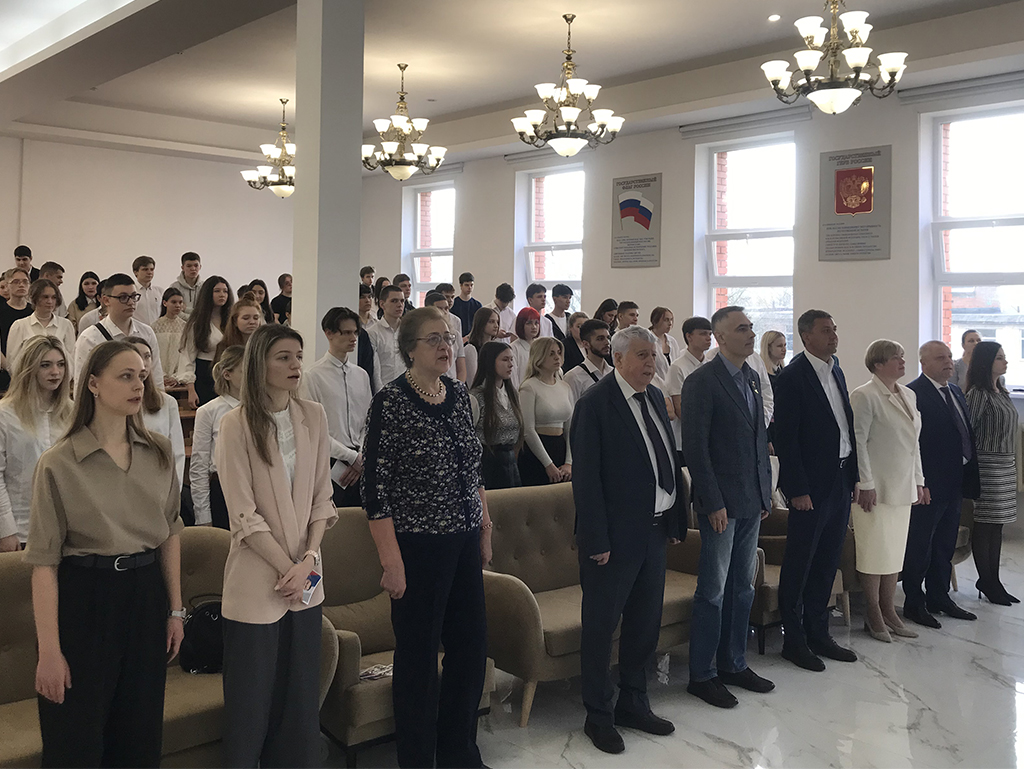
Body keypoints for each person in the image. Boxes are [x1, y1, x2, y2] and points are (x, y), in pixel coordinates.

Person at [26, 340, 183, 768]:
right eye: (125, 376)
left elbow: (170, 533)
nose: (138, 385)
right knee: (75, 739)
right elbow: (44, 564)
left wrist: (175, 610)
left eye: (142, 376)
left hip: (145, 594)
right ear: (93, 384)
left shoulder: (158, 451)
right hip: (85, 596)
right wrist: (49, 651)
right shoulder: (58, 462)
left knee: (139, 736)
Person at [362, 307, 491, 769]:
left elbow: (472, 468)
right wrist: (391, 560)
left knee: (470, 648)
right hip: (417, 547)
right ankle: (417, 758)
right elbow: (374, 490)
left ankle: (459, 752)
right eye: (434, 338)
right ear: (409, 349)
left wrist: (485, 527)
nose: (445, 346)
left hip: (464, 539)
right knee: (417, 657)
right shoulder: (391, 402)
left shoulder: (457, 395)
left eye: (449, 338)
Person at [215, 324, 337, 767]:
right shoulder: (235, 424)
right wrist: (289, 567)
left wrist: (308, 560)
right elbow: (243, 515)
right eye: (283, 357)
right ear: (259, 364)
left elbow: (323, 499)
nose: (295, 365)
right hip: (256, 578)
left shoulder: (313, 415)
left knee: (300, 700)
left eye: (298, 356)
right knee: (250, 705)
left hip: (306, 577)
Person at [570, 324, 684, 755]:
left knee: (644, 623)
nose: (651, 363)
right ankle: (598, 714)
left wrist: (674, 520)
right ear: (617, 359)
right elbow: (586, 480)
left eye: (653, 355)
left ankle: (634, 701)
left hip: (653, 531)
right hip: (613, 539)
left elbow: (665, 459)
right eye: (642, 355)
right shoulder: (595, 404)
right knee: (602, 628)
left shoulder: (653, 396)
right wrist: (596, 539)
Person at [681, 306, 773, 709]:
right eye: (741, 329)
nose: (750, 334)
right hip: (720, 502)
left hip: (751, 498)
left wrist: (764, 492)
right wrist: (712, 501)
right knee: (713, 590)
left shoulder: (751, 377)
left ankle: (734, 662)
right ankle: (702, 674)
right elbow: (696, 448)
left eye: (751, 327)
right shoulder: (702, 381)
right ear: (719, 338)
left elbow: (758, 440)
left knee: (742, 586)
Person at [774, 309, 858, 672]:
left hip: (839, 479)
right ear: (806, 336)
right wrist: (797, 489)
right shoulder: (793, 377)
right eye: (826, 330)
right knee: (801, 564)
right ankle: (793, 641)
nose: (833, 335)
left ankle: (818, 632)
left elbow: (845, 428)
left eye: (834, 329)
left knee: (827, 561)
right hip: (809, 487)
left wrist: (854, 477)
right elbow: (786, 438)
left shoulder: (836, 370)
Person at [849, 340, 925, 643]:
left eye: (903, 357)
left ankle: (889, 609)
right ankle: (873, 611)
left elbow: (914, 444)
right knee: (874, 552)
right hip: (875, 489)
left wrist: (919, 480)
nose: (902, 362)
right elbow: (859, 443)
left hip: (901, 485)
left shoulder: (908, 394)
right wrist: (864, 484)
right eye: (896, 358)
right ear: (878, 364)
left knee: (893, 552)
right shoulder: (864, 395)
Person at [903, 341, 981, 627]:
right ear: (923, 363)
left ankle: (939, 596)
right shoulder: (913, 393)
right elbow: (913, 444)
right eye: (940, 358)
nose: (948, 362)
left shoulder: (956, 391)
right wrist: (919, 481)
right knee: (921, 545)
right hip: (928, 484)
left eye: (949, 356)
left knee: (944, 544)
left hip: (955, 481)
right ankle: (914, 602)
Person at [0, 336, 73, 551]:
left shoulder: (72, 411)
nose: (55, 372)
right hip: (21, 527)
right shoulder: (5, 414)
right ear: (29, 368)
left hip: (66, 528)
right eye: (45, 365)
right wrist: (6, 529)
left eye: (61, 364)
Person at [965, 341, 1019, 606]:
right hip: (986, 465)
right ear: (986, 362)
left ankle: (994, 580)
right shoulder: (978, 394)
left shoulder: (1002, 392)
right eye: (999, 357)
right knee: (985, 523)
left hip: (1006, 464)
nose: (1005, 361)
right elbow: (967, 430)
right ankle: (985, 579)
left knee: (998, 525)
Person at [304, 307, 373, 508]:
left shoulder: (361, 375)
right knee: (334, 520)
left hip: (361, 459)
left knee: (362, 519)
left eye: (355, 332)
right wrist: (351, 457)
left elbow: (368, 421)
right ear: (329, 333)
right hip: (330, 460)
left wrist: (360, 457)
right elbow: (313, 429)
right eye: (347, 332)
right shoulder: (312, 376)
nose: (353, 338)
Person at [74, 273, 164, 389]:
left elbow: (156, 376)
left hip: (143, 397)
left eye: (134, 296)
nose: (131, 302)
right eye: (123, 297)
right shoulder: (90, 338)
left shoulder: (147, 332)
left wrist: (159, 397)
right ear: (106, 300)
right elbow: (81, 385)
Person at [190, 346, 243, 530]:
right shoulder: (209, 411)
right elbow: (199, 465)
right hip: (223, 490)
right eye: (245, 370)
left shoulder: (264, 408)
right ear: (227, 374)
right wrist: (203, 515)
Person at [127, 337, 186, 493]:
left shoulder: (167, 402)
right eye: (137, 355)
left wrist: (175, 491)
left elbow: (177, 452)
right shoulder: (116, 402)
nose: (144, 362)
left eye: (147, 356)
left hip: (160, 483)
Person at [519, 337, 573, 486]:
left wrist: (569, 462)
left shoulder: (565, 387)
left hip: (560, 448)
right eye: (551, 354)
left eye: (559, 352)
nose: (557, 357)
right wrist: (548, 464)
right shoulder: (529, 387)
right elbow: (528, 430)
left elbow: (570, 428)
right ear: (539, 357)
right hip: (538, 451)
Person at [470, 341, 523, 489]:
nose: (510, 364)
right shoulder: (476, 397)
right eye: (505, 360)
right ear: (490, 362)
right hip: (487, 464)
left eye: (511, 359)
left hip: (511, 463)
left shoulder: (512, 394)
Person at [666, 316, 713, 464]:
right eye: (703, 334)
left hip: (710, 438)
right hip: (685, 440)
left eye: (710, 334)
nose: (708, 338)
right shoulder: (678, 367)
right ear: (689, 336)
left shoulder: (711, 366)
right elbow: (680, 408)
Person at [181, 275, 233, 408]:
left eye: (225, 291)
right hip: (205, 375)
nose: (222, 295)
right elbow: (187, 358)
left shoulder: (232, 321)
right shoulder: (197, 323)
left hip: (229, 375)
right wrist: (191, 389)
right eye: (217, 291)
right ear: (208, 294)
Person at [7, 280, 75, 373]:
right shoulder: (20, 325)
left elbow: (71, 359)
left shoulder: (66, 325)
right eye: (45, 297)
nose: (50, 301)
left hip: (58, 377)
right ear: (34, 298)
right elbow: (13, 361)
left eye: (54, 297)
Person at [367, 284, 407, 387]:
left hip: (406, 387)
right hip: (383, 387)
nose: (399, 305)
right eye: (394, 301)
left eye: (402, 301)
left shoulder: (408, 331)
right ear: (382, 304)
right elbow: (375, 369)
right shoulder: (372, 333)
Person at [564, 319, 612, 405]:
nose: (607, 342)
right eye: (600, 339)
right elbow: (573, 410)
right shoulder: (574, 377)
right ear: (586, 344)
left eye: (608, 338)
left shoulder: (613, 372)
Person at [425, 291, 467, 383]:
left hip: (452, 383)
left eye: (446, 308)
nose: (444, 312)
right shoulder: (423, 335)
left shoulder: (455, 335)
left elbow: (461, 369)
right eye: (439, 309)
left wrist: (458, 386)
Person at [153, 287, 188, 387]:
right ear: (165, 303)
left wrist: (176, 377)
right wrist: (162, 376)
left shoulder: (185, 327)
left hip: (179, 377)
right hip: (158, 376)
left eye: (180, 302)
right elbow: (153, 354)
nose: (178, 305)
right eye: (173, 302)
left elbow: (186, 354)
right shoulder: (155, 326)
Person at [215, 292, 262, 361]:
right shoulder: (224, 346)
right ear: (235, 321)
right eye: (246, 318)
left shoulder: (264, 346)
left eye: (256, 318)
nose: (252, 322)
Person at [0, 268, 33, 364]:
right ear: (7, 286)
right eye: (16, 282)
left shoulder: (34, 311)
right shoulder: (1, 310)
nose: (21, 285)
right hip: (5, 364)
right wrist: (9, 367)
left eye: (25, 282)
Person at [465, 306, 500, 388]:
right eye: (491, 322)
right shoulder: (471, 349)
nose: (496, 326)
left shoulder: (496, 348)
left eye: (497, 322)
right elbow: (472, 381)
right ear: (481, 322)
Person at [510, 307, 540, 390]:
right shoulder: (514, 348)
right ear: (521, 325)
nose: (534, 327)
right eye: (529, 323)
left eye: (536, 323)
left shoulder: (541, 346)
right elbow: (513, 379)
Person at [649, 307, 680, 381]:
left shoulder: (672, 341)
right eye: (666, 320)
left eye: (671, 320)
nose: (670, 323)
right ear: (655, 321)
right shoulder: (648, 341)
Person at [169, 252, 204, 319]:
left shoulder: (205, 287)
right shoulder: (174, 287)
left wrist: (185, 309)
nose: (193, 268)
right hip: (180, 324)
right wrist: (194, 318)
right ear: (182, 267)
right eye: (189, 266)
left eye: (196, 265)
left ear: (200, 267)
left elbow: (205, 311)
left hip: (201, 323)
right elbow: (174, 311)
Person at [132, 256, 163, 326]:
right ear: (135, 272)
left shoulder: (160, 291)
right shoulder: (131, 292)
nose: (149, 272)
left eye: (152, 269)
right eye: (145, 269)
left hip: (156, 330)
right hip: (137, 330)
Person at [452, 271, 482, 337]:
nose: (469, 287)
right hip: (457, 337)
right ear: (461, 285)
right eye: (466, 285)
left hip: (473, 338)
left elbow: (479, 324)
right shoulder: (454, 304)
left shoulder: (477, 305)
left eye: (471, 285)